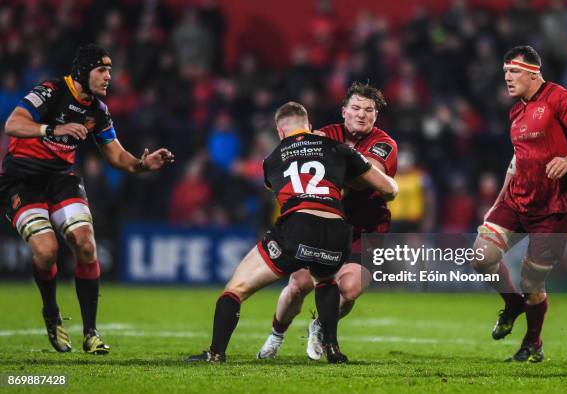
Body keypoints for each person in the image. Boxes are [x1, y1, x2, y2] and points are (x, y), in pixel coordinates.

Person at [186, 101, 397, 364]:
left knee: (236, 288)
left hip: (298, 225)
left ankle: (216, 353)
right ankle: (331, 349)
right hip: (337, 227)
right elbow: (389, 189)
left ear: (280, 131)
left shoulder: (272, 158)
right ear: (309, 126)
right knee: (325, 280)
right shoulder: (338, 148)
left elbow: (275, 186)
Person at [0, 44, 174, 354]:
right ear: (83, 72)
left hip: (61, 180)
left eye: (110, 70)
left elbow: (116, 154)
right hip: (22, 181)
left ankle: (91, 332)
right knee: (46, 249)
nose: (109, 76)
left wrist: (142, 165)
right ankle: (52, 312)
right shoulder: (52, 90)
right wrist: (52, 128)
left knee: (85, 243)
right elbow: (13, 123)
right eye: (102, 70)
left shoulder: (98, 110)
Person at [471, 45, 567, 362]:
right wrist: (496, 204)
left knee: (532, 281)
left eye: (513, 71)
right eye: (505, 72)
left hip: (554, 208)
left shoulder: (560, 98)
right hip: (517, 200)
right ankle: (513, 304)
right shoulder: (515, 111)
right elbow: (515, 163)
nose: (507, 78)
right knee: (480, 256)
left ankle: (532, 342)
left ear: (533, 72)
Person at [257, 82, 397, 360]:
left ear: (376, 116)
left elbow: (367, 178)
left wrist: (331, 162)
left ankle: (319, 326)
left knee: (350, 288)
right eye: (355, 108)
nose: (361, 114)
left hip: (367, 226)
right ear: (343, 111)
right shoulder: (326, 134)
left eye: (369, 110)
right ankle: (276, 334)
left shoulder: (384, 144)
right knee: (298, 285)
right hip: (324, 220)